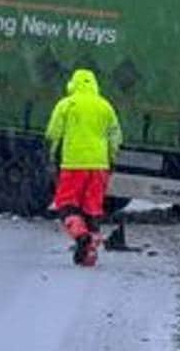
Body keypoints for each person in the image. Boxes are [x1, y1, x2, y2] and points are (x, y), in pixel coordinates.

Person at [44, 68, 122, 266]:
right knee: (92, 208)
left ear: (73, 84)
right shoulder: (105, 106)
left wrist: (51, 156)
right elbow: (116, 137)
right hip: (99, 166)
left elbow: (53, 133)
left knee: (66, 204)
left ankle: (81, 236)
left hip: (73, 164)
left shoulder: (67, 104)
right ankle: (89, 255)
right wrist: (111, 159)